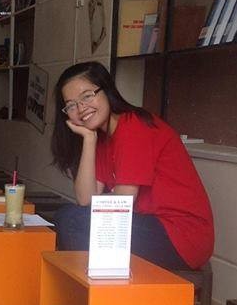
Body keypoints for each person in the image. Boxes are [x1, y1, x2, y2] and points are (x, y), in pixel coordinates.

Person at [50, 61, 214, 271]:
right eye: (71, 105)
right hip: (149, 224)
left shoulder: (133, 126)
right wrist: (89, 139)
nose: (81, 109)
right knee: (71, 216)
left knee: (72, 219)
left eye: (87, 96)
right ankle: (94, 287)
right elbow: (85, 200)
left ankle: (97, 289)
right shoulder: (102, 138)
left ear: (107, 91)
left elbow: (121, 205)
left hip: (181, 235)